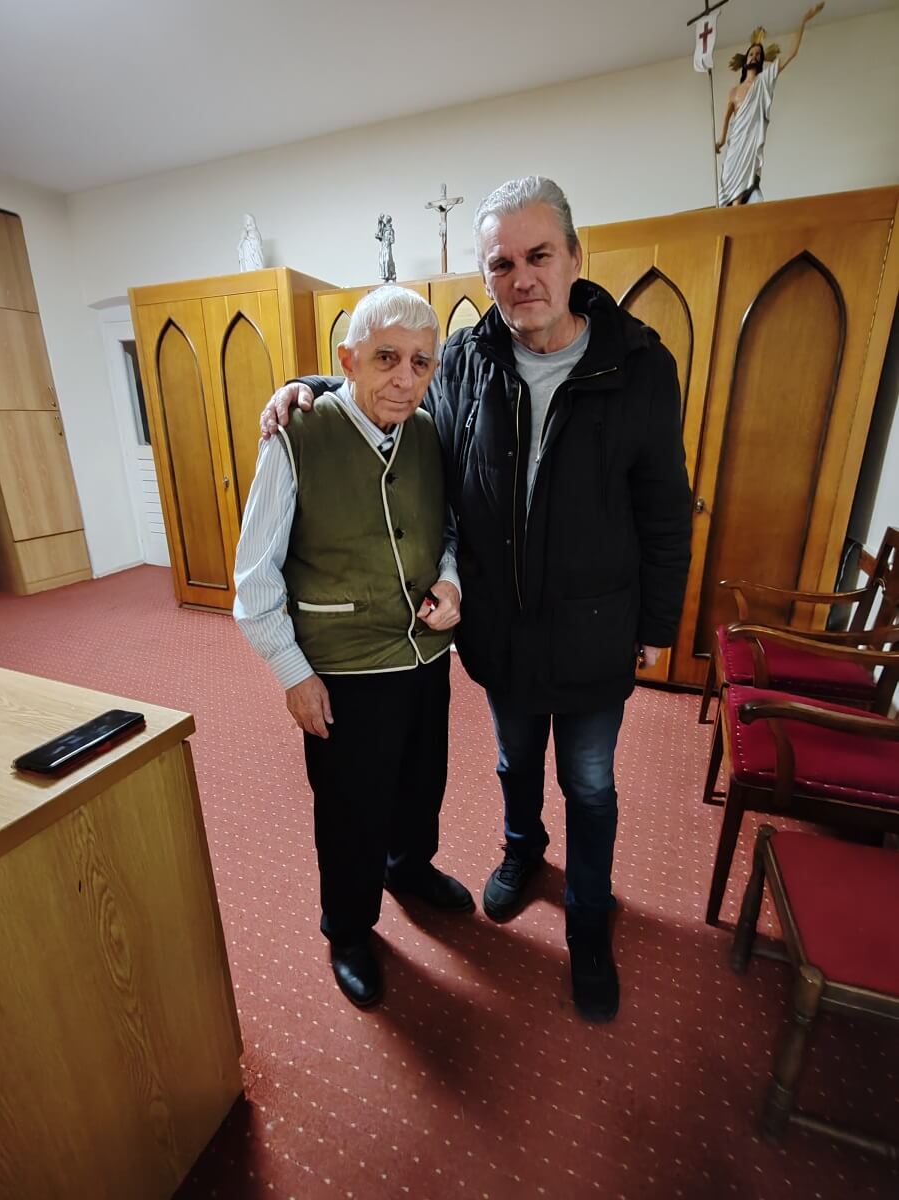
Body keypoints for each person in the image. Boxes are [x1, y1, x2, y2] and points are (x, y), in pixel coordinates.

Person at [260, 177, 692, 1022]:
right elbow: (389, 385)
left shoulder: (640, 364)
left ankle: (587, 922)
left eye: (539, 255)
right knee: (512, 763)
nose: (521, 277)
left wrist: (657, 622)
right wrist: (302, 387)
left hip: (596, 627)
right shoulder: (466, 357)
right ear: (486, 274)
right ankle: (522, 853)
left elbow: (666, 510)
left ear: (575, 257)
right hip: (501, 627)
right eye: (501, 263)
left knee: (590, 782)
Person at [235, 285, 473, 1010]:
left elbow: (447, 530)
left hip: (425, 657)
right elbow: (253, 578)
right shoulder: (296, 436)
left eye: (421, 363)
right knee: (349, 808)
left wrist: (451, 581)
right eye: (386, 358)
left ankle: (409, 867)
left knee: (421, 782)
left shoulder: (429, 432)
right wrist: (293, 673)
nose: (405, 377)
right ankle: (347, 927)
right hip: (342, 669)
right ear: (348, 360)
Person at [716, 4, 825, 207]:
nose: (755, 56)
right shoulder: (733, 91)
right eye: (751, 54)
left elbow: (791, 53)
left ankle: (738, 207)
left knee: (744, 183)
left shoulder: (764, 80)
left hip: (751, 139)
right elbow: (726, 119)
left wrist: (803, 21)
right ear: (745, 60)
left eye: (758, 54)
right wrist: (720, 141)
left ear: (761, 60)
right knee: (729, 177)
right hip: (736, 141)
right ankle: (731, 208)